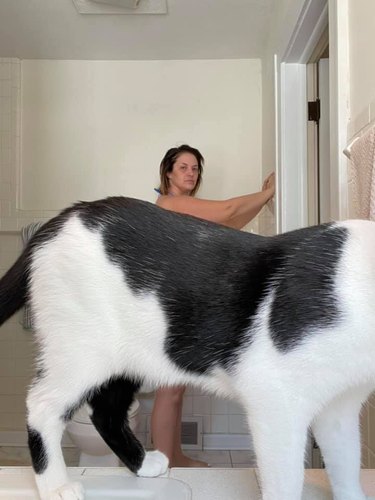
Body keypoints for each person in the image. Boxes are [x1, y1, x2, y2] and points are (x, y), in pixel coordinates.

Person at [151, 144, 275, 468]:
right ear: (168, 173)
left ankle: (174, 455)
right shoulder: (169, 202)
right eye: (184, 167)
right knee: (169, 389)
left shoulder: (187, 208)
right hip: (171, 304)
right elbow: (228, 210)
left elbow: (230, 223)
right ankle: (164, 462)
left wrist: (262, 199)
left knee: (177, 389)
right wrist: (268, 193)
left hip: (182, 300)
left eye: (195, 169)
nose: (191, 173)